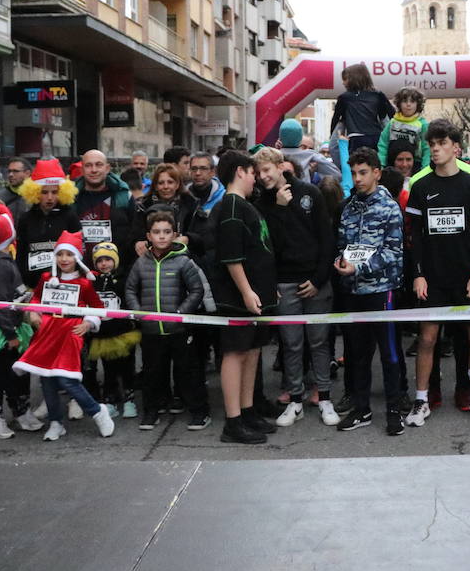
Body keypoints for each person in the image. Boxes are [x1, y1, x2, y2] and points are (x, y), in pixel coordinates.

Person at [404, 120, 470, 427]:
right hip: (432, 277)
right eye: (431, 144)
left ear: (455, 148)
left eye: (441, 143)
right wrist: (418, 274)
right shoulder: (421, 187)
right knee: (427, 339)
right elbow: (414, 236)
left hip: (467, 276)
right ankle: (420, 401)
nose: (435, 149)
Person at [251, 148, 339, 427]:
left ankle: (324, 396)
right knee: (291, 343)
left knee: (320, 341)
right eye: (258, 172)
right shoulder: (261, 204)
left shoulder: (309, 194)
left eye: (267, 170)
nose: (263, 177)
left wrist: (319, 279)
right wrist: (278, 208)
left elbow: (326, 239)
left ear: (279, 166)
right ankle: (296, 400)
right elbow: (268, 247)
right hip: (284, 282)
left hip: (315, 281)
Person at [14, 231, 115, 441]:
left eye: (69, 255)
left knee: (68, 379)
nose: (64, 259)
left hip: (71, 333)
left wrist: (89, 322)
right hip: (47, 332)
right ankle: (56, 422)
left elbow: (97, 307)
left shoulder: (86, 283)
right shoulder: (45, 278)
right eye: (60, 254)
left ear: (77, 257)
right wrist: (33, 312)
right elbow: (36, 299)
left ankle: (97, 411)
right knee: (47, 380)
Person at [210, 150, 280, 444]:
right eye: (252, 173)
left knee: (252, 352)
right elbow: (232, 257)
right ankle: (233, 421)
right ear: (240, 171)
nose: (256, 178)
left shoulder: (244, 205)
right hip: (238, 298)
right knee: (235, 353)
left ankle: (248, 409)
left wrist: (264, 288)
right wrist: (247, 291)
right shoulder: (232, 206)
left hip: (257, 294)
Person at [334, 148, 406, 434]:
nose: (358, 178)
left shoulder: (389, 208)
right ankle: (362, 409)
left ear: (377, 172)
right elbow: (343, 245)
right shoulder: (348, 207)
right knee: (358, 355)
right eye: (353, 173)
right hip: (353, 292)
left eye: (363, 172)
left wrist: (359, 269)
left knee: (389, 354)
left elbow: (394, 253)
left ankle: (393, 410)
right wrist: (340, 263)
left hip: (382, 290)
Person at [125, 212, 210, 431]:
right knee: (153, 372)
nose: (161, 236)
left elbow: (196, 290)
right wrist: (138, 312)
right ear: (148, 236)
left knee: (188, 372)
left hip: (180, 329)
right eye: (156, 232)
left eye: (166, 232)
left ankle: (199, 411)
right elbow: (130, 288)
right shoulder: (141, 263)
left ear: (175, 235)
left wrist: (182, 312)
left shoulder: (184, 261)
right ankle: (152, 411)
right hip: (152, 329)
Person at [0, 214, 42, 439]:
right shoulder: (0, 266)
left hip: (13, 324)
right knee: (2, 374)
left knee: (20, 372)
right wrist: (10, 334)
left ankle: (21, 411)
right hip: (1, 330)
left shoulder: (3, 259)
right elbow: (0, 303)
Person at [86, 242, 140, 419]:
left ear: (115, 261)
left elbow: (130, 298)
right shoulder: (93, 281)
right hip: (102, 333)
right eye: (100, 260)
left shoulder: (123, 278)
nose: (104, 264)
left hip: (123, 332)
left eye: (108, 259)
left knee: (126, 367)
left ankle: (129, 400)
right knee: (108, 369)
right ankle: (109, 399)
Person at [15, 159, 83, 288]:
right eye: (44, 192)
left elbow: (78, 253)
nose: (50, 197)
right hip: (32, 284)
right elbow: (21, 253)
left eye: (55, 192)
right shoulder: (26, 218)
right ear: (34, 192)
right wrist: (22, 282)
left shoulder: (69, 216)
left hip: (64, 284)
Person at [74, 150, 134, 268]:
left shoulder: (124, 196)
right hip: (79, 272)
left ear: (107, 168)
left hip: (118, 271)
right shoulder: (71, 198)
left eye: (99, 164)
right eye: (88, 165)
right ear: (82, 170)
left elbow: (134, 233)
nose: (94, 170)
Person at [133, 163, 198, 262]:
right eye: (161, 183)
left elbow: (202, 237)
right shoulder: (143, 207)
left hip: (182, 260)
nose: (166, 186)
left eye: (170, 182)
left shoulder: (191, 205)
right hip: (150, 260)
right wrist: (138, 242)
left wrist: (188, 239)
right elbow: (134, 234)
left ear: (177, 184)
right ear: (155, 186)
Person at [330, 62, 393, 155]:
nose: (343, 82)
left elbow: (336, 119)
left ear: (353, 79)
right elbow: (390, 114)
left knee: (353, 163)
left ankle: (341, 169)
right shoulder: (377, 94)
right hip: (376, 137)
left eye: (345, 79)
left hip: (356, 138)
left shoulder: (345, 97)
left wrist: (332, 135)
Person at [377, 87, 429, 172]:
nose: (408, 104)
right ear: (399, 104)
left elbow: (427, 148)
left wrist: (425, 168)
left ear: (418, 104)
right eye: (405, 101)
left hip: (416, 164)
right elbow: (383, 144)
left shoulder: (423, 124)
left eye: (412, 101)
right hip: (393, 164)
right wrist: (381, 164)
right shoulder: (392, 123)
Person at [279, 119, 342, 184]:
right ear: (300, 138)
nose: (307, 149)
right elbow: (337, 175)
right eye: (303, 146)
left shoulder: (273, 155)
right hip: (303, 193)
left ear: (280, 137)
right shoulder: (311, 155)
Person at [0, 157, 32, 223]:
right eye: (9, 171)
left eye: (15, 171)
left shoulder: (35, 196)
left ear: (27, 173)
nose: (10, 175)